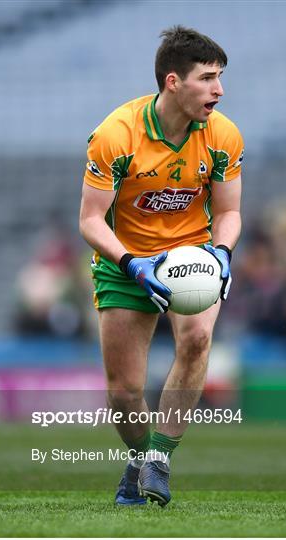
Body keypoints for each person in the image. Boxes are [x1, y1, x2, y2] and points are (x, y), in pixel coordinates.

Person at [79, 25, 243, 507]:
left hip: (192, 255)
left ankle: (160, 461)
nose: (220, 89)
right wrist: (132, 264)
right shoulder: (116, 135)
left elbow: (230, 211)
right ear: (173, 81)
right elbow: (89, 220)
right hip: (124, 259)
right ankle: (139, 461)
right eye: (208, 78)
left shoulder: (223, 135)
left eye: (221, 77)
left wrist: (223, 253)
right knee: (125, 393)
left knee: (197, 338)